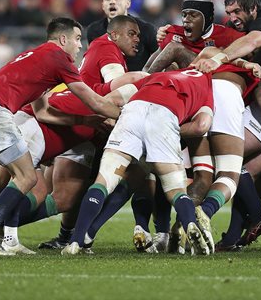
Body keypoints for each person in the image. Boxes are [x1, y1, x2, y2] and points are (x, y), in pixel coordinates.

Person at [0, 17, 120, 256]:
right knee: (27, 177)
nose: (79, 46)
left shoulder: (38, 56)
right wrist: (123, 114)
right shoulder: (59, 59)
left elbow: (43, 112)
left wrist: (83, 121)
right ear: (63, 39)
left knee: (8, 179)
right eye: (77, 39)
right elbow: (95, 101)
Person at [61, 69, 216, 256]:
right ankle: (190, 223)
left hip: (132, 113)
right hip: (166, 119)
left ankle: (76, 241)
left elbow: (114, 99)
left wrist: (116, 117)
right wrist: (172, 131)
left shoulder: (157, 76)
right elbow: (202, 126)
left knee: (103, 182)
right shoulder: (207, 86)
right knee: (176, 191)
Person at [144, 0, 244, 73]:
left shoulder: (227, 35)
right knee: (171, 66)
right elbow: (148, 67)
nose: (186, 19)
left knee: (175, 48)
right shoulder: (174, 33)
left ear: (208, 19)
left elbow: (250, 49)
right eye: (184, 15)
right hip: (183, 80)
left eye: (193, 15)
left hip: (212, 79)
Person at [86, 0, 158, 71]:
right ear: (103, 6)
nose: (112, 2)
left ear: (128, 3)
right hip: (107, 82)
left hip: (140, 82)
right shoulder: (93, 30)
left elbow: (161, 59)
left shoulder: (147, 29)